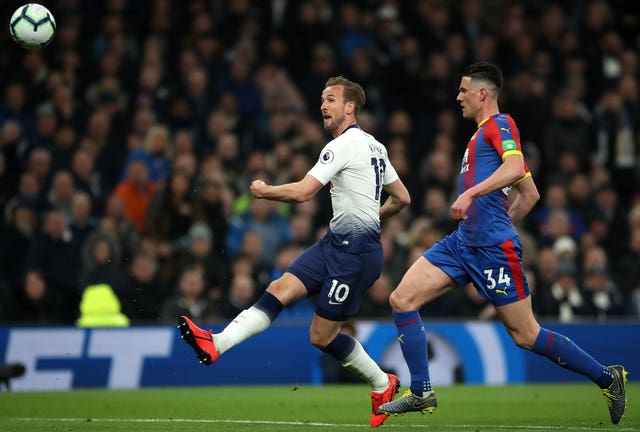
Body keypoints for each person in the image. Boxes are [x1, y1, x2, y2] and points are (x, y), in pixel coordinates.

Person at [378, 62, 627, 425]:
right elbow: (530, 194)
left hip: (493, 249)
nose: (457, 96)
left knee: (526, 335)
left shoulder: (500, 124)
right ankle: (421, 391)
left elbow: (515, 169)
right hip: (463, 243)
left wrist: (477, 203)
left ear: (482, 93)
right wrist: (495, 218)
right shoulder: (479, 136)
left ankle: (609, 378)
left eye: (463, 90)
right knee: (401, 299)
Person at [179, 76, 411, 427]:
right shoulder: (375, 146)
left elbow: (304, 192)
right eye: (322, 99)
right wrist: (371, 217)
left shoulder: (343, 145)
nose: (323, 105)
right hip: (335, 242)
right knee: (278, 289)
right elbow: (403, 198)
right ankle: (216, 344)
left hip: (356, 255)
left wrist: (263, 190)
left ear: (350, 107)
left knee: (321, 336)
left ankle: (383, 382)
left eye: (331, 99)